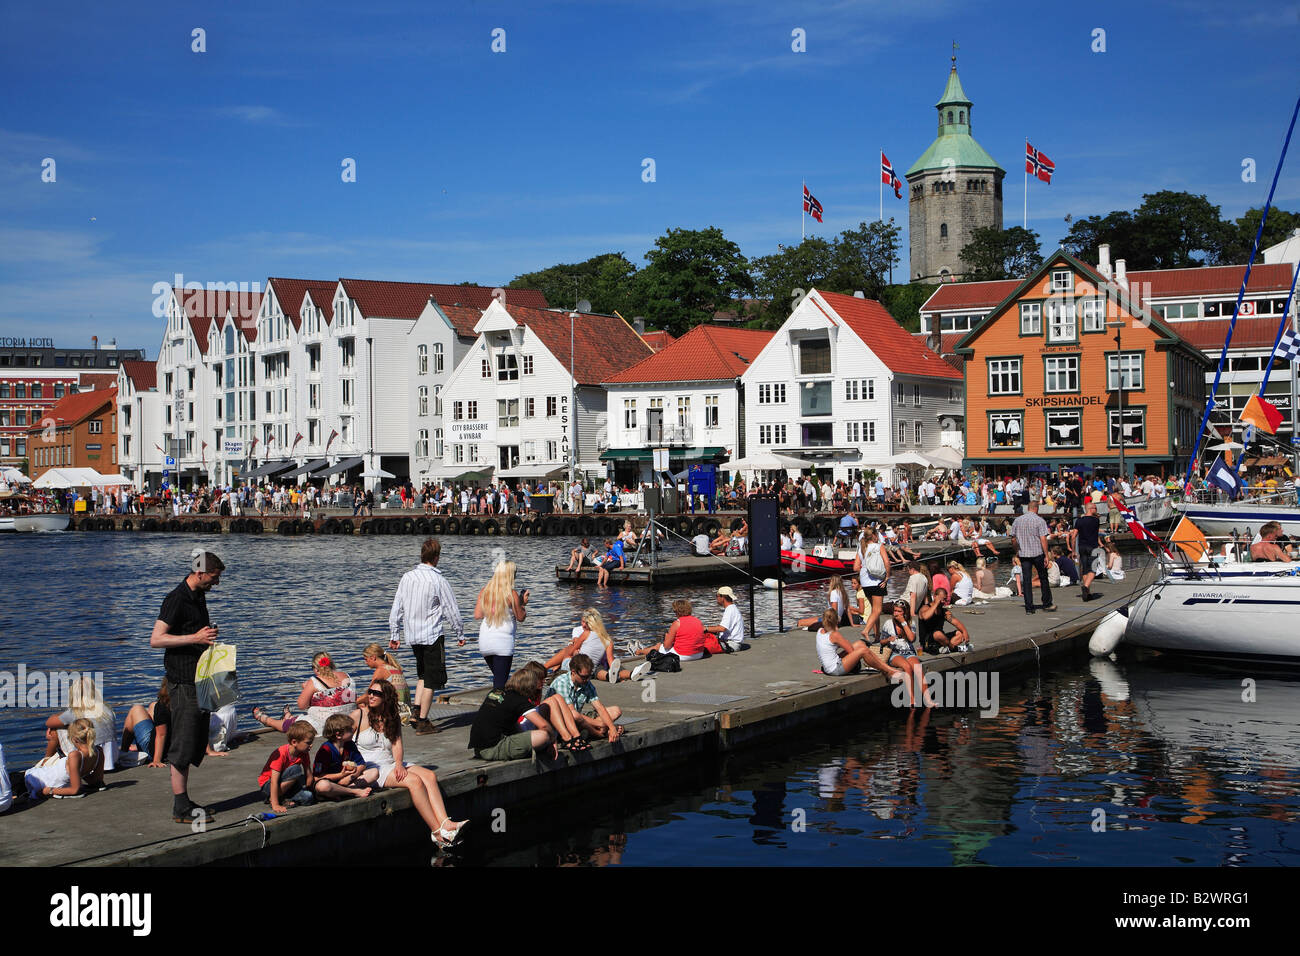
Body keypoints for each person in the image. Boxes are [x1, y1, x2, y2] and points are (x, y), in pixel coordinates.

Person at [150, 548, 225, 825]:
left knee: (195, 738)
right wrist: (194, 636)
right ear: (199, 572)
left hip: (200, 676)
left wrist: (204, 639)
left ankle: (184, 800)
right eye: (213, 577)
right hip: (182, 680)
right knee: (183, 740)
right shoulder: (176, 599)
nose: (216, 583)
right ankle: (180, 806)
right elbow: (156, 639)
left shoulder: (199, 596)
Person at [357, 680, 466, 847]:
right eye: (370, 691)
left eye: (376, 693)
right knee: (414, 781)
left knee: (429, 775)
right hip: (373, 767)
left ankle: (446, 823)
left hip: (391, 762)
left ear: (385, 697)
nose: (371, 695)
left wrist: (399, 763)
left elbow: (397, 744)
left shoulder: (391, 717)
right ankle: (436, 831)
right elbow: (340, 740)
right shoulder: (359, 716)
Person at [389, 538, 464, 736]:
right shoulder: (438, 580)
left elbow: (397, 606)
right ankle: (423, 721)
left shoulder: (407, 577)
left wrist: (394, 633)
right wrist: (460, 632)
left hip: (413, 635)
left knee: (422, 674)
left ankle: (416, 710)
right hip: (431, 635)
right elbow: (451, 609)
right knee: (431, 679)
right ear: (436, 557)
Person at [469, 667, 557, 762]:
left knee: (525, 731)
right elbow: (543, 725)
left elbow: (511, 724)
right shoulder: (518, 699)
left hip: (478, 748)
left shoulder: (497, 691)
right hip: (492, 749)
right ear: (530, 686)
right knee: (543, 736)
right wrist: (553, 740)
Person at [42, 673, 119, 771]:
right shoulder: (106, 709)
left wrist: (61, 721)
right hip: (112, 758)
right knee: (74, 725)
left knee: (55, 729)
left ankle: (45, 762)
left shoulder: (75, 712)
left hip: (91, 761)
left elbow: (49, 722)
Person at [546, 654, 624, 743]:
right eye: (584, 677)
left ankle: (597, 730)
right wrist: (600, 724)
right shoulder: (562, 683)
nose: (587, 680)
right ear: (573, 672)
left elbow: (599, 707)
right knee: (575, 715)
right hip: (561, 723)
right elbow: (571, 713)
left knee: (616, 711)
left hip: (580, 720)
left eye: (589, 676)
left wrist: (611, 727)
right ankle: (600, 734)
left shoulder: (586, 682)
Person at [475, 560, 527, 690]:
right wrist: (523, 603)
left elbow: (478, 615)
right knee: (500, 686)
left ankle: (503, 704)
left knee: (500, 680)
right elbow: (520, 617)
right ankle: (494, 708)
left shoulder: (484, 591)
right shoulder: (512, 594)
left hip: (485, 643)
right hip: (502, 643)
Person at [26, 718, 105, 800]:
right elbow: (96, 781)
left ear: (74, 739)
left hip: (34, 780)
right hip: (39, 775)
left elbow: (75, 790)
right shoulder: (99, 751)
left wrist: (49, 790)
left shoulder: (75, 756)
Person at [628, 599, 708, 679]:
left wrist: (667, 637)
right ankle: (644, 649)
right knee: (664, 645)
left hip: (683, 655)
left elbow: (667, 646)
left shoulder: (677, 623)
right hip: (699, 654)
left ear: (677, 611)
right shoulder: (698, 621)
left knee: (659, 646)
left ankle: (638, 652)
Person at [814, 609, 901, 679]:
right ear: (836, 621)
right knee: (863, 651)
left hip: (828, 666)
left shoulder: (820, 631)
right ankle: (887, 670)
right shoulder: (834, 635)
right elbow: (851, 651)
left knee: (860, 643)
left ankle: (881, 665)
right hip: (835, 669)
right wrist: (844, 641)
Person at [311, 712, 376, 801]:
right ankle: (353, 792)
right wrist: (340, 775)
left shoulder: (350, 745)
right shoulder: (325, 750)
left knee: (374, 772)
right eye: (349, 730)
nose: (353, 731)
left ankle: (339, 792)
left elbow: (362, 764)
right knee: (322, 786)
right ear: (338, 735)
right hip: (330, 783)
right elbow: (317, 777)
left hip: (347, 781)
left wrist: (350, 777)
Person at [878, 603, 932, 707]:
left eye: (899, 611)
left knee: (917, 667)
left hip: (908, 652)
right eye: (895, 611)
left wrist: (903, 622)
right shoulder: (888, 623)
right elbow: (881, 641)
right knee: (906, 667)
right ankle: (912, 699)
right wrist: (888, 639)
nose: (896, 613)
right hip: (894, 652)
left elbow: (912, 639)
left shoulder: (910, 623)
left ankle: (928, 699)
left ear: (905, 613)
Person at [258, 720, 318, 813]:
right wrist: (275, 805)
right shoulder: (281, 753)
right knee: (296, 769)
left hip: (287, 784)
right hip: (268, 785)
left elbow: (308, 774)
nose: (311, 745)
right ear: (294, 742)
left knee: (308, 798)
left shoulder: (304, 753)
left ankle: (284, 797)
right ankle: (274, 799)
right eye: (308, 743)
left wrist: (312, 790)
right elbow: (274, 781)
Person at [1010, 503, 1056, 614]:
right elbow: (1043, 539)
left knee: (1026, 580)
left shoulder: (1017, 520)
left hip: (1024, 554)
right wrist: (1046, 555)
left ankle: (1029, 608)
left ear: (1028, 508)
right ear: (1036, 509)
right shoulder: (1040, 521)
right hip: (1037, 553)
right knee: (1043, 577)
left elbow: (1013, 539)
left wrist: (1017, 552)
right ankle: (1047, 603)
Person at [120, 679, 172, 768]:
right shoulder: (185, 704)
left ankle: (123, 752)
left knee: (136, 709)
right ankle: (136, 747)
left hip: (156, 751)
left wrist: (156, 760)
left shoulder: (163, 706)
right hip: (176, 747)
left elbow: (161, 734)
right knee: (153, 706)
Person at [853, 527, 890, 642]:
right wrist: (887, 576)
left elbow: (855, 567)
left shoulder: (861, 548)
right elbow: (887, 562)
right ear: (874, 535)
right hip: (877, 580)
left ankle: (877, 635)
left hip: (865, 582)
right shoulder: (879, 546)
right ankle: (866, 630)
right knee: (878, 610)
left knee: (874, 610)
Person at [917, 588, 972, 654]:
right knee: (938, 634)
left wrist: (965, 632)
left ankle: (945, 649)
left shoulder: (944, 611)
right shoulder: (924, 608)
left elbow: (956, 623)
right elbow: (926, 617)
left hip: (941, 640)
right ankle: (954, 648)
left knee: (960, 634)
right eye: (941, 599)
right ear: (935, 597)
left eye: (945, 599)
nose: (943, 602)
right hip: (927, 641)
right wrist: (936, 603)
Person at [1071, 501, 1105, 601]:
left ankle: (1087, 594)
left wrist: (1073, 550)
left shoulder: (1079, 521)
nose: (1096, 510)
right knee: (1093, 569)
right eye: (1095, 508)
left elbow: (1073, 536)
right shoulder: (1096, 520)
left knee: (1085, 569)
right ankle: (1086, 587)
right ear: (1090, 509)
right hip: (1093, 547)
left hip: (1082, 547)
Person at [362, 643, 410, 709]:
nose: (366, 663)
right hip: (406, 708)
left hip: (396, 710)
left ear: (373, 658)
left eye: (366, 659)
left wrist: (354, 702)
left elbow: (368, 694)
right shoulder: (394, 668)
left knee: (361, 705)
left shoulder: (381, 670)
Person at [704, 586, 747, 651]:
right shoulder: (732, 608)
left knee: (701, 646)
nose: (716, 598)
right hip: (731, 642)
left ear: (722, 597)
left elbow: (722, 628)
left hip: (731, 644)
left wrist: (706, 628)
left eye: (717, 596)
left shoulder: (730, 610)